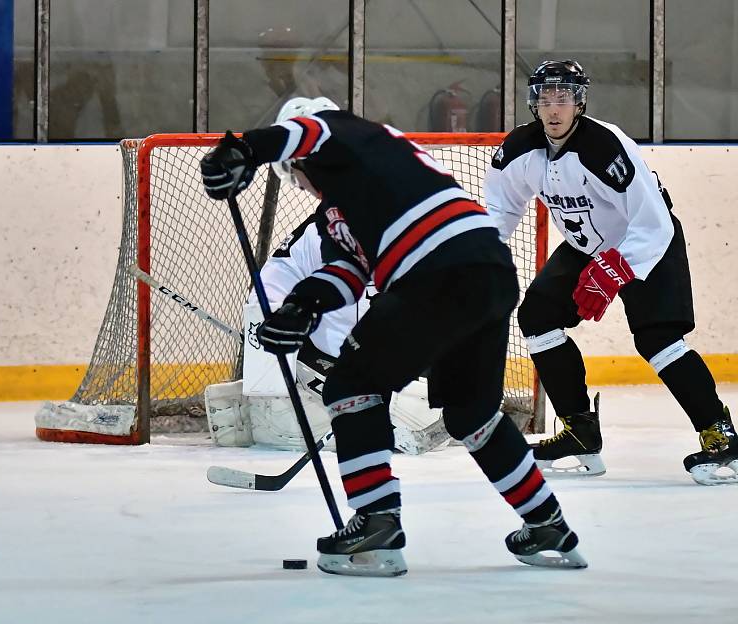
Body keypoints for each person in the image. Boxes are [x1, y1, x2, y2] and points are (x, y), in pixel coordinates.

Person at [200, 96, 587, 576]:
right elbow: (349, 270)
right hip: (486, 272)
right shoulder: (350, 202)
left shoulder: (352, 136)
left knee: (350, 386)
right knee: (471, 413)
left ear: (299, 159)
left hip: (436, 273)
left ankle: (376, 522)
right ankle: (546, 523)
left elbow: (313, 131)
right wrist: (302, 308)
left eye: (294, 174)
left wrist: (243, 148)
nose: (300, 184)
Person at [484, 60, 737, 485]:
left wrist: (617, 269)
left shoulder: (605, 146)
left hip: (645, 242)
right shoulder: (520, 150)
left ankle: (720, 434)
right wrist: (479, 256)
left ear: (579, 101)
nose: (553, 108)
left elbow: (652, 219)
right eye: (545, 98)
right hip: (586, 247)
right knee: (538, 317)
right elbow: (501, 208)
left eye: (562, 97)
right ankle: (580, 432)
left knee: (658, 340)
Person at [205, 206, 449, 455]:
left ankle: (292, 418)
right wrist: (276, 331)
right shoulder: (316, 233)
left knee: (420, 407)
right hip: (324, 366)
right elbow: (267, 293)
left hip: (405, 374)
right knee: (280, 418)